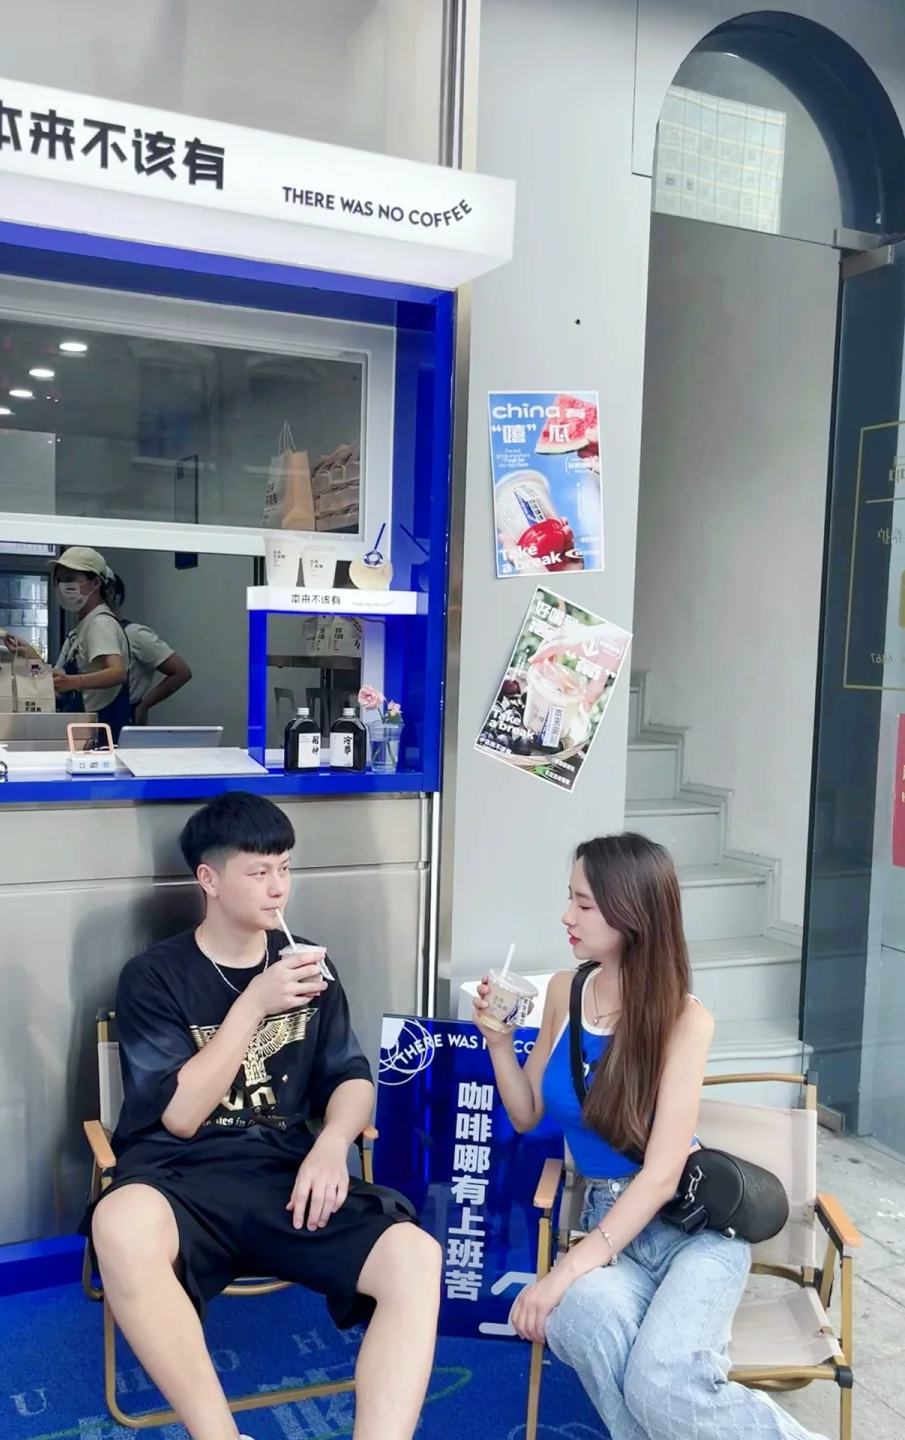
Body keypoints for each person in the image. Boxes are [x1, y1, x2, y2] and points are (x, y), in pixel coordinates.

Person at [86, 793, 442, 1440]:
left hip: (283, 1172)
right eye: (258, 871)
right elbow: (181, 1116)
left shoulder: (309, 967)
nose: (278, 887)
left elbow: (351, 1079)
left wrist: (332, 1144)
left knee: (415, 1257)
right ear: (209, 879)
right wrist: (254, 1005)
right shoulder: (153, 977)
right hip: (177, 1176)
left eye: (284, 867)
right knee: (119, 1224)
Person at [474, 833, 825, 1440]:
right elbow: (527, 1113)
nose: (566, 916)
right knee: (577, 1321)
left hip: (691, 1233)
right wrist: (500, 1044)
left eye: (584, 903)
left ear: (631, 912)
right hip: (611, 1228)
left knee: (660, 1383)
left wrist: (562, 1271)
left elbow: (662, 1175)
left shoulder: (684, 1019)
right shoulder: (564, 991)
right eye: (569, 898)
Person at [6, 546, 130, 741]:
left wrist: (74, 682)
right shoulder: (84, 625)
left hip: (100, 730)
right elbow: (61, 680)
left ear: (96, 583)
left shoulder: (100, 623)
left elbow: (117, 672)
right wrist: (30, 654)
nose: (63, 586)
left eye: (70, 579)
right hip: (85, 726)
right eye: (60, 580)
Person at [108, 572, 192, 724]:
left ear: (111, 593)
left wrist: (143, 706)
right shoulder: (77, 636)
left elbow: (181, 672)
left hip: (122, 718)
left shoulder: (134, 635)